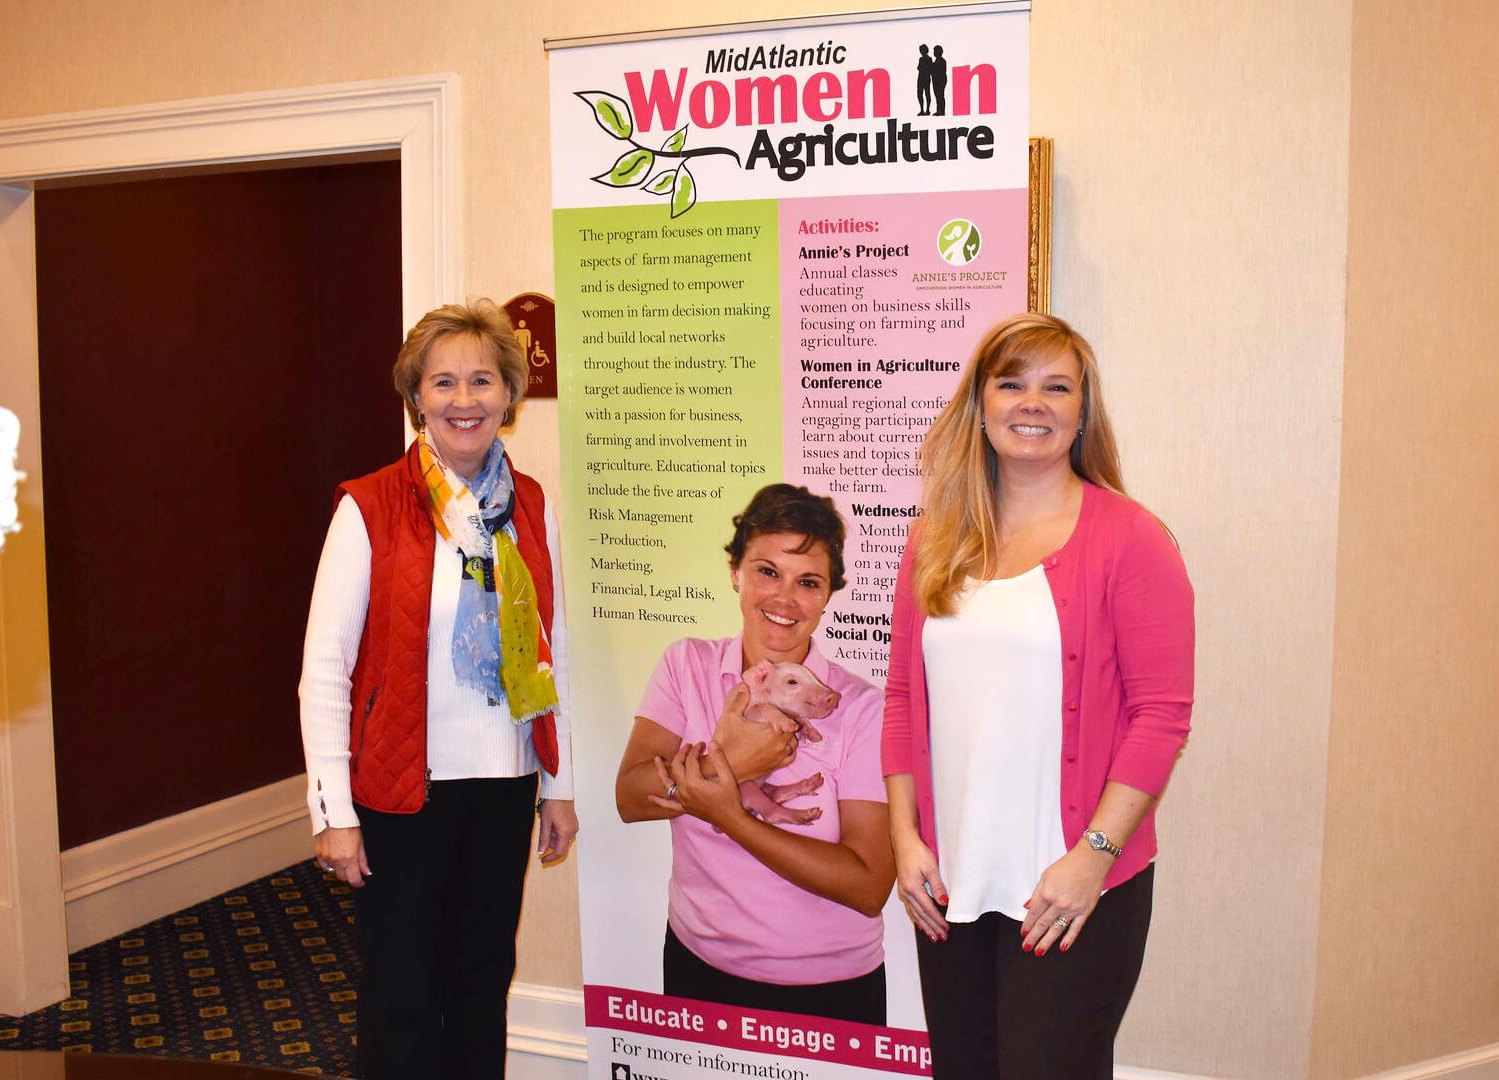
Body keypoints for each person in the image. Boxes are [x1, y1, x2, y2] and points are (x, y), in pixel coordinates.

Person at [882, 312, 1193, 1078]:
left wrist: (1093, 857)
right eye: (1012, 383)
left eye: (1057, 387)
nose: (1033, 403)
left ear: (1082, 412)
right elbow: (899, 698)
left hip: (1070, 889)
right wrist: (905, 839)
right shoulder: (934, 539)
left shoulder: (1130, 538)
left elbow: (1162, 718)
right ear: (979, 405)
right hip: (950, 887)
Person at [298, 299, 578, 1080]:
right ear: (416, 396)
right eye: (445, 382)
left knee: (483, 981)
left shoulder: (530, 505)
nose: (466, 401)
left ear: (508, 398)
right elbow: (325, 668)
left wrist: (559, 783)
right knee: (404, 995)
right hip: (401, 794)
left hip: (504, 782)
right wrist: (334, 813)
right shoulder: (370, 506)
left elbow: (549, 651)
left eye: (483, 381)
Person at [616, 484, 895, 1024]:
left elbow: (868, 886)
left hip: (829, 992)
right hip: (697, 967)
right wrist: (734, 765)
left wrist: (728, 812)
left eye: (808, 582)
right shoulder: (687, 667)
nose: (785, 599)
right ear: (735, 573)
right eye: (767, 571)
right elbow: (629, 797)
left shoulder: (863, 708)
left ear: (827, 597)